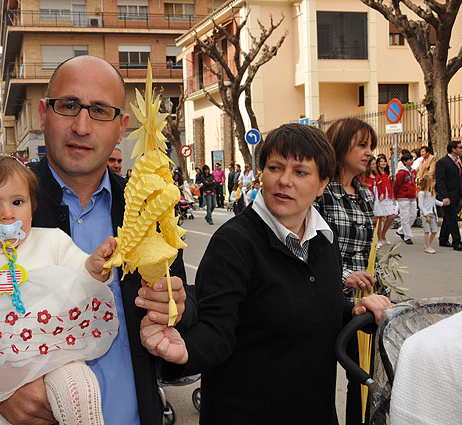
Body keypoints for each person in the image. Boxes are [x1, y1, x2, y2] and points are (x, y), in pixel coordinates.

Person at [0, 55, 196, 425]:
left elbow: (183, 316)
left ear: (122, 126)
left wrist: (177, 309)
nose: (81, 126)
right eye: (68, 106)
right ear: (44, 113)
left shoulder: (148, 206)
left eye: (100, 111)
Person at [140, 123, 391, 425]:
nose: (284, 181)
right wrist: (184, 352)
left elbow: (315, 305)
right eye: (275, 167)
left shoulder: (324, 240)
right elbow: (216, 330)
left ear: (323, 183)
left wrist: (355, 312)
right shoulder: (234, 243)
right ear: (262, 173)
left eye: (300, 172)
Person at [0, 153, 118, 425]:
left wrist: (94, 267)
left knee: (81, 391)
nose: (7, 214)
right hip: (1, 371)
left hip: (59, 352)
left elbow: (80, 277)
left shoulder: (51, 241)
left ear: (31, 206)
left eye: (18, 202)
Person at [316, 118, 388, 425]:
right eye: (362, 145)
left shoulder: (365, 195)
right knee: (318, 380)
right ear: (340, 146)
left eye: (371, 146)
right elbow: (313, 250)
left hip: (361, 304)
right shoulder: (321, 194)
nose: (369, 152)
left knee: (362, 378)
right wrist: (344, 275)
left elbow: (367, 250)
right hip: (326, 299)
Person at [435, 140, 462, 250]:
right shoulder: (443, 162)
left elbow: (460, 180)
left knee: (449, 217)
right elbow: (440, 181)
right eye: (460, 147)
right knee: (453, 218)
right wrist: (444, 196)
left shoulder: (459, 161)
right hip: (448, 195)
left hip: (457, 195)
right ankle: (457, 242)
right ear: (453, 149)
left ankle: (443, 239)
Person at [393, 152, 417, 245]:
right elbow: (396, 185)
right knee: (405, 217)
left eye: (412, 159)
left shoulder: (413, 171)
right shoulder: (401, 173)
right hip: (403, 196)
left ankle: (401, 231)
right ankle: (407, 236)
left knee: (413, 215)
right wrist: (395, 196)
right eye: (410, 160)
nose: (412, 161)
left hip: (412, 196)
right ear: (405, 162)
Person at [374, 154, 397, 246]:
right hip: (380, 198)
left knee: (391, 216)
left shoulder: (387, 173)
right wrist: (380, 194)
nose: (383, 163)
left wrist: (393, 196)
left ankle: (383, 234)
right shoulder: (376, 173)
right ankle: (379, 238)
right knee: (379, 218)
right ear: (378, 163)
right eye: (381, 161)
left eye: (384, 161)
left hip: (388, 197)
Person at [418, 175, 443, 254]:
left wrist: (442, 203)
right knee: (427, 231)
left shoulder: (432, 193)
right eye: (432, 181)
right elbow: (420, 205)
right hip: (425, 214)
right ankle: (428, 246)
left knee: (434, 230)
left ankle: (428, 243)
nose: (434, 183)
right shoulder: (421, 193)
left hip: (432, 213)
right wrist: (426, 215)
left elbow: (434, 201)